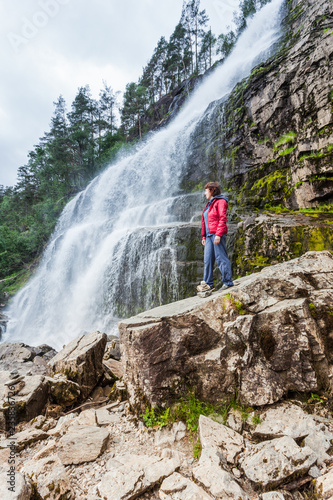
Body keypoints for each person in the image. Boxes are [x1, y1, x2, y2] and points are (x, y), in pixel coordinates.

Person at [197, 181, 234, 292]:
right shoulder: (210, 203)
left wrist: (218, 234)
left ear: (212, 190)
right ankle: (208, 284)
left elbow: (222, 218)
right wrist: (204, 236)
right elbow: (205, 221)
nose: (204, 193)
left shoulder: (221, 201)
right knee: (207, 260)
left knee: (221, 257)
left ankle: (228, 282)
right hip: (208, 236)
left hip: (217, 234)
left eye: (206, 190)